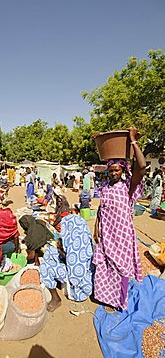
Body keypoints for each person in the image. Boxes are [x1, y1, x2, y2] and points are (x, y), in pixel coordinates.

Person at [93, 127, 146, 311]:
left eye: (117, 170)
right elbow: (101, 209)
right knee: (104, 267)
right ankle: (104, 297)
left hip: (121, 237)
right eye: (111, 170)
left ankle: (120, 301)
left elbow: (141, 167)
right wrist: (96, 228)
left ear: (122, 170)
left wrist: (132, 140)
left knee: (121, 269)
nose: (113, 173)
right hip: (106, 235)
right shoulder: (106, 188)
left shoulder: (127, 188)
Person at [39, 214, 93, 312]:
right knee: (52, 251)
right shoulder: (83, 238)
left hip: (79, 286)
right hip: (86, 277)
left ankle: (56, 299)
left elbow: (75, 275)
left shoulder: (75, 248)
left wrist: (62, 255)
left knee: (44, 267)